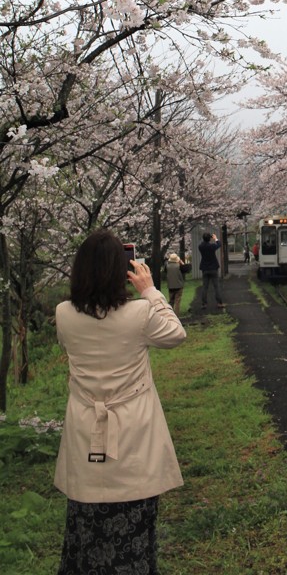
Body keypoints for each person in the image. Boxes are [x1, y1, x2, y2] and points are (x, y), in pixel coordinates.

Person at [54, 228, 186, 575]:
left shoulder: (63, 314)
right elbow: (176, 333)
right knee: (135, 532)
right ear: (121, 270)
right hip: (134, 438)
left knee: (86, 532)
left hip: (85, 438)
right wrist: (150, 291)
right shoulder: (140, 315)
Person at [198, 232, 225, 308]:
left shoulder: (200, 247)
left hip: (205, 268)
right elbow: (219, 244)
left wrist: (206, 239)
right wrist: (215, 238)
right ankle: (219, 303)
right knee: (216, 286)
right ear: (209, 239)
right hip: (213, 268)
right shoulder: (212, 246)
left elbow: (203, 244)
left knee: (205, 287)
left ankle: (204, 304)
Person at [166, 251, 192, 316]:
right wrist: (182, 263)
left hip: (170, 286)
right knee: (177, 301)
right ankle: (176, 315)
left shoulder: (167, 266)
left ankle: (170, 315)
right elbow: (187, 269)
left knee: (171, 301)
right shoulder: (179, 266)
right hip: (179, 286)